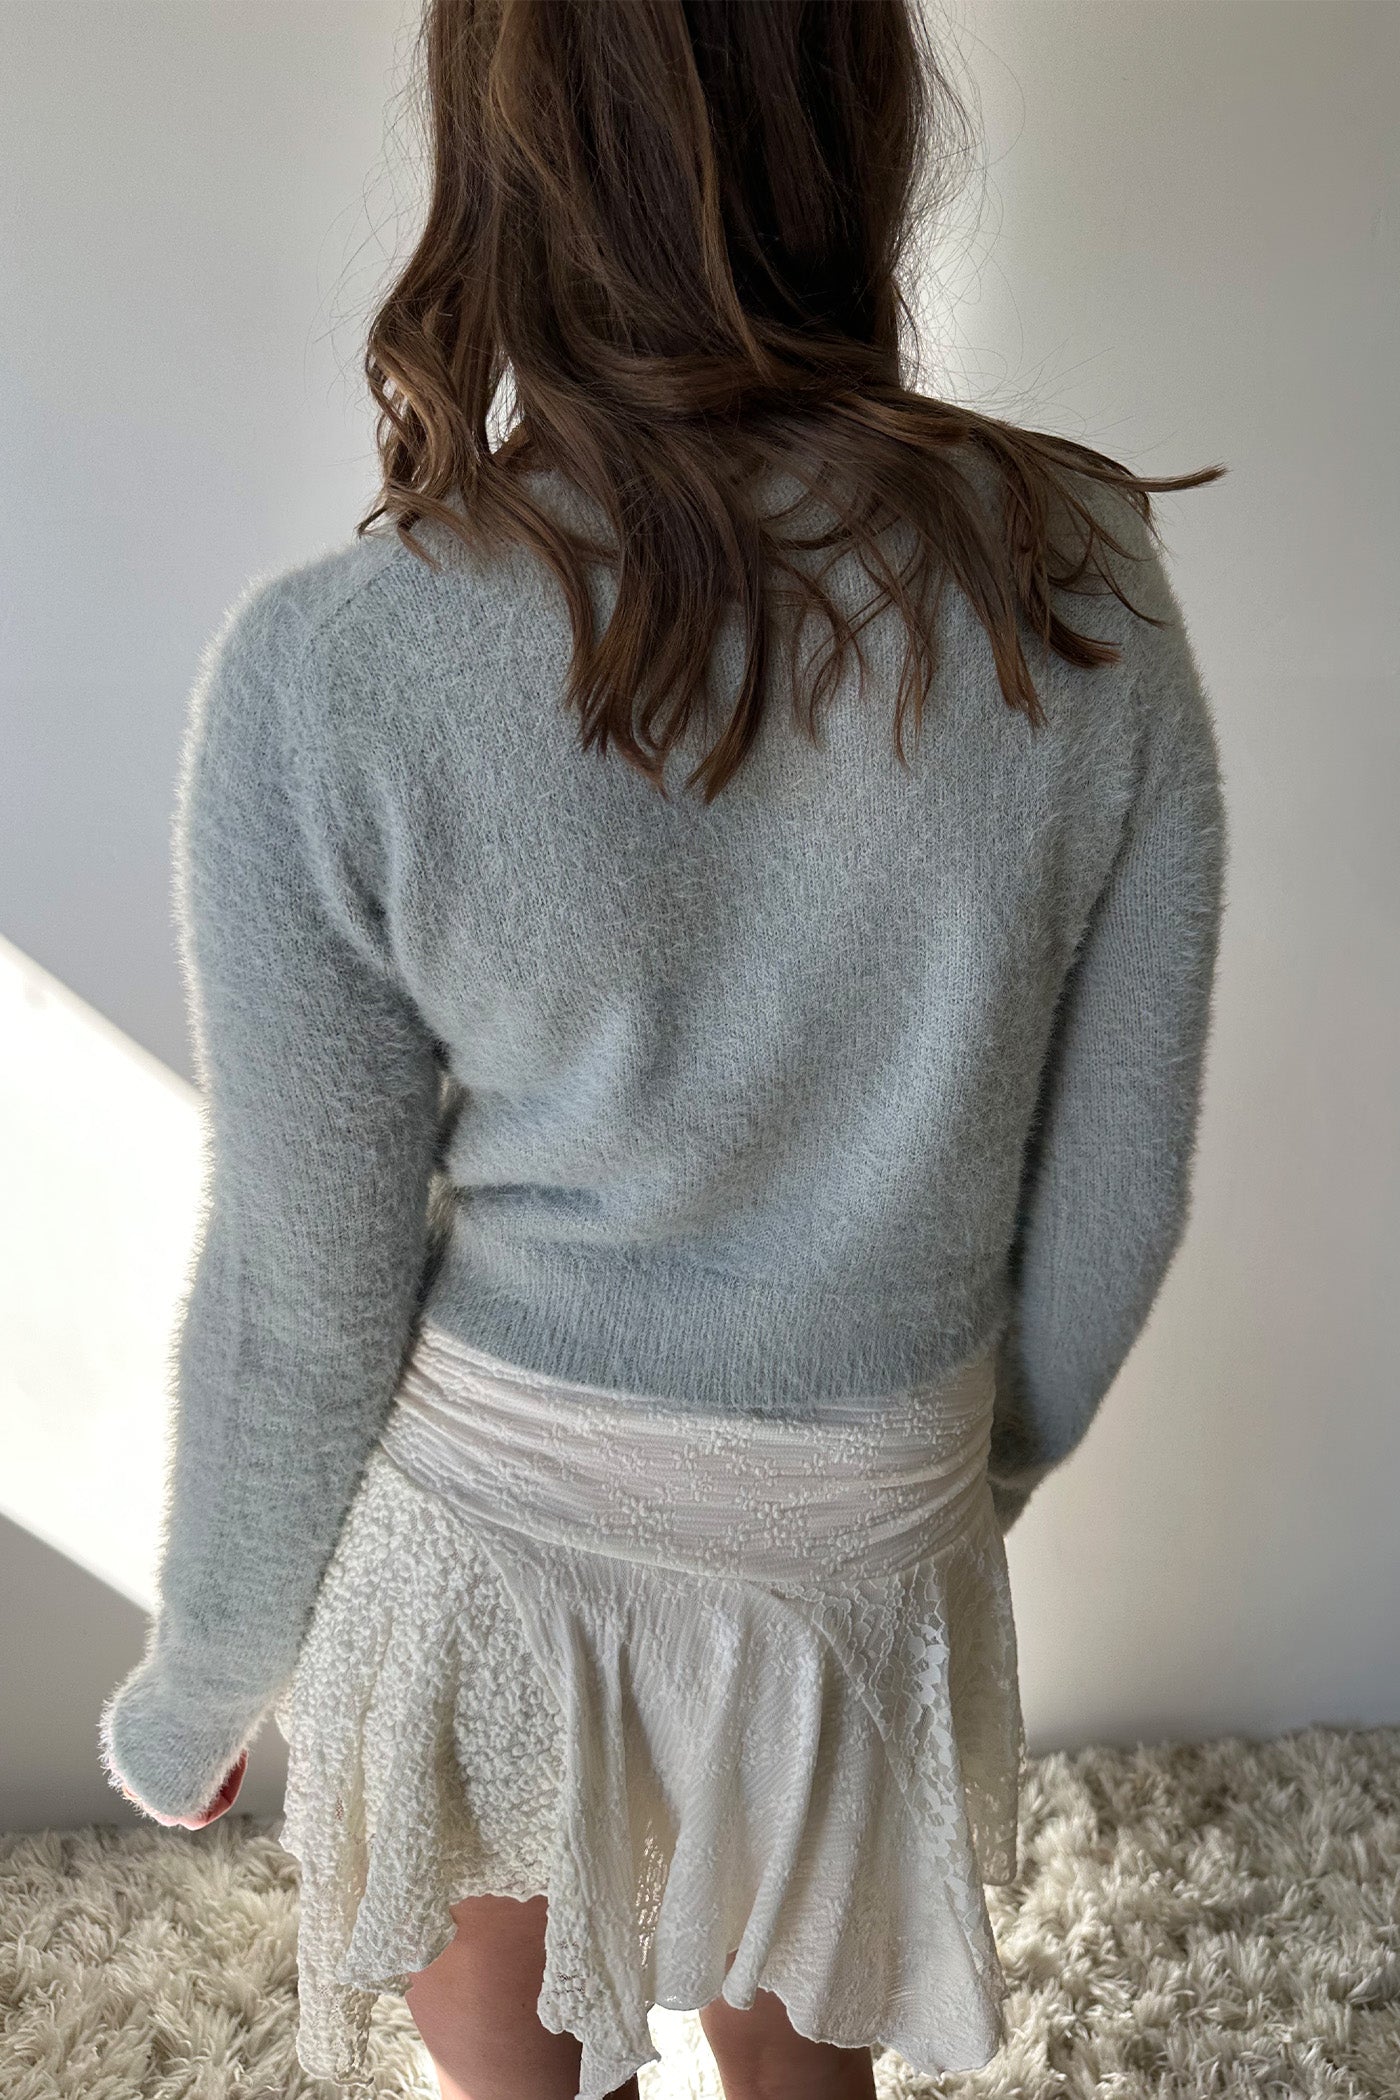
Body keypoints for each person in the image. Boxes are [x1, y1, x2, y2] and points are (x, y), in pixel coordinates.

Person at [98, 4, 1229, 2098]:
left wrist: (207, 1678)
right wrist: (939, 1494)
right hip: (858, 1517)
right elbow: (1120, 1192)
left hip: (490, 1544)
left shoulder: (330, 668)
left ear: (502, 154)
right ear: (867, 125)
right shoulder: (1075, 586)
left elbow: (306, 1280)